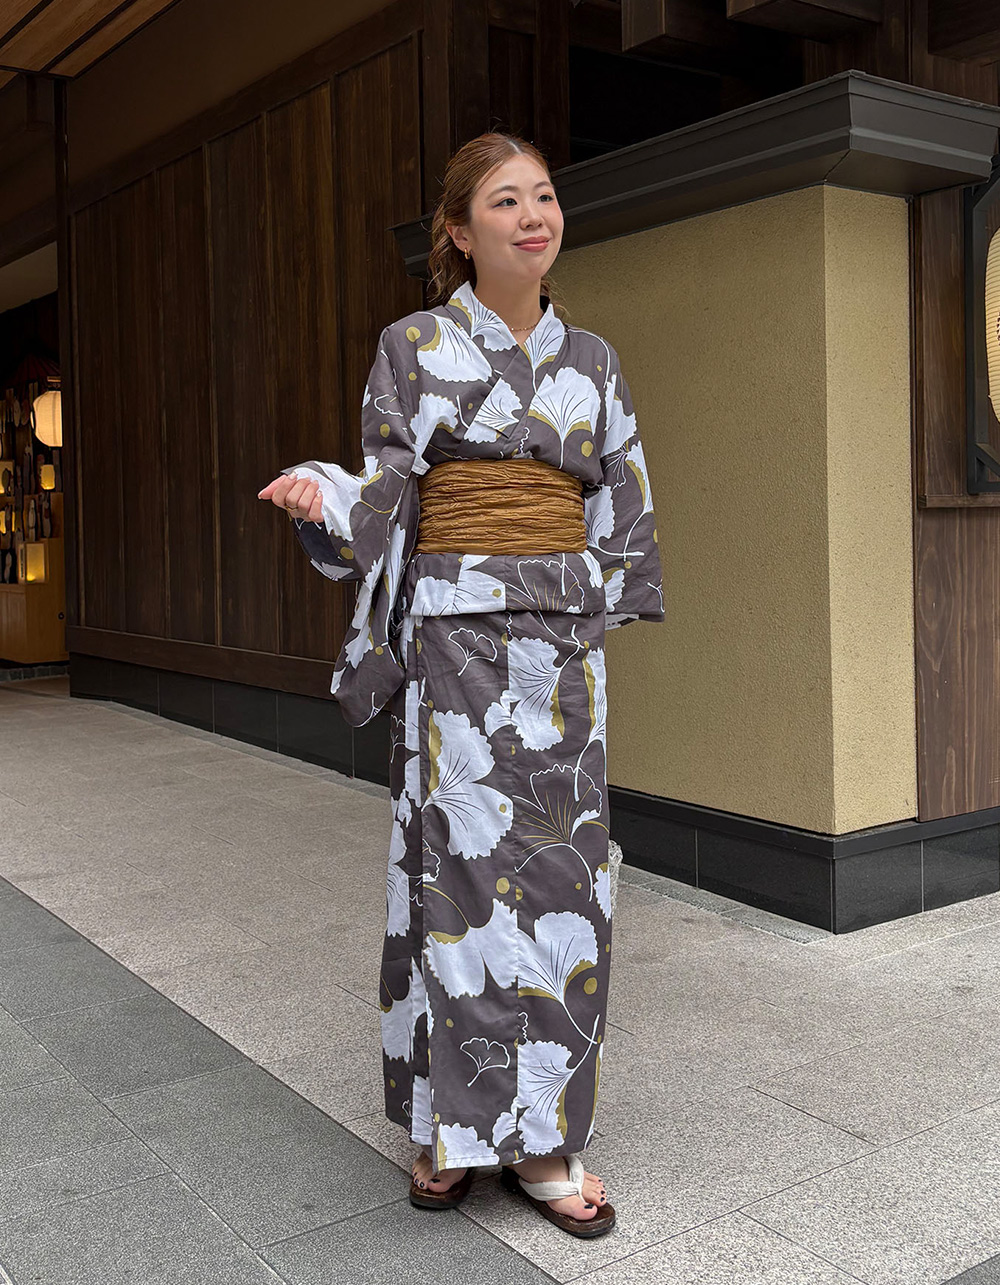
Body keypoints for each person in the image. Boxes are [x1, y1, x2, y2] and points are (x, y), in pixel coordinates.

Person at [258, 132, 664, 1238]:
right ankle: (449, 1125)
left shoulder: (594, 361)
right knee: (457, 875)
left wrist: (587, 607)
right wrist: (327, 498)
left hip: (560, 649)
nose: (533, 216)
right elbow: (389, 492)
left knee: (565, 878)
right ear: (457, 231)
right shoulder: (412, 346)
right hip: (454, 645)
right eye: (504, 200)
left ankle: (543, 1139)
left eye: (544, 197)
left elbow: (620, 501)